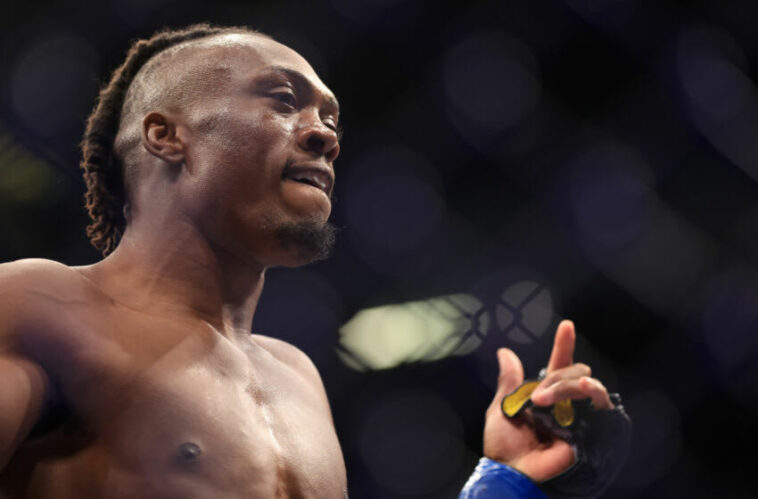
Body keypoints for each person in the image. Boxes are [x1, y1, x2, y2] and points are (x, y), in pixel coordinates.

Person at [0, 24, 629, 498]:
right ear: (167, 135)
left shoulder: (296, 377)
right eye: (282, 99)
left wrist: (505, 479)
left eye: (330, 117)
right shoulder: (37, 305)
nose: (325, 134)